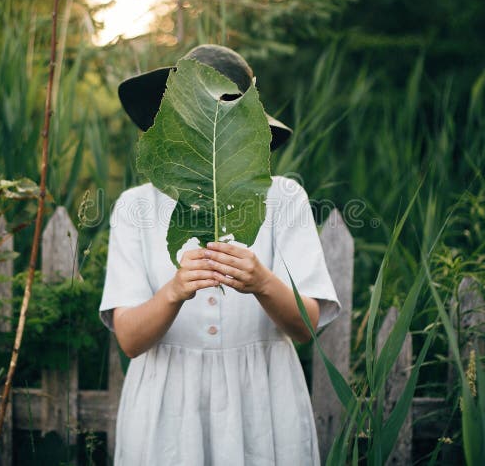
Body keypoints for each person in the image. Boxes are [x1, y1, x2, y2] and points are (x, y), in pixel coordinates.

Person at [99, 44, 340, 465]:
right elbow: (130, 340)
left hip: (264, 403)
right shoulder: (135, 207)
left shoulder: (284, 198)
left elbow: (306, 328)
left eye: (227, 117)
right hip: (166, 406)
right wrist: (174, 291)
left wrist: (263, 283)